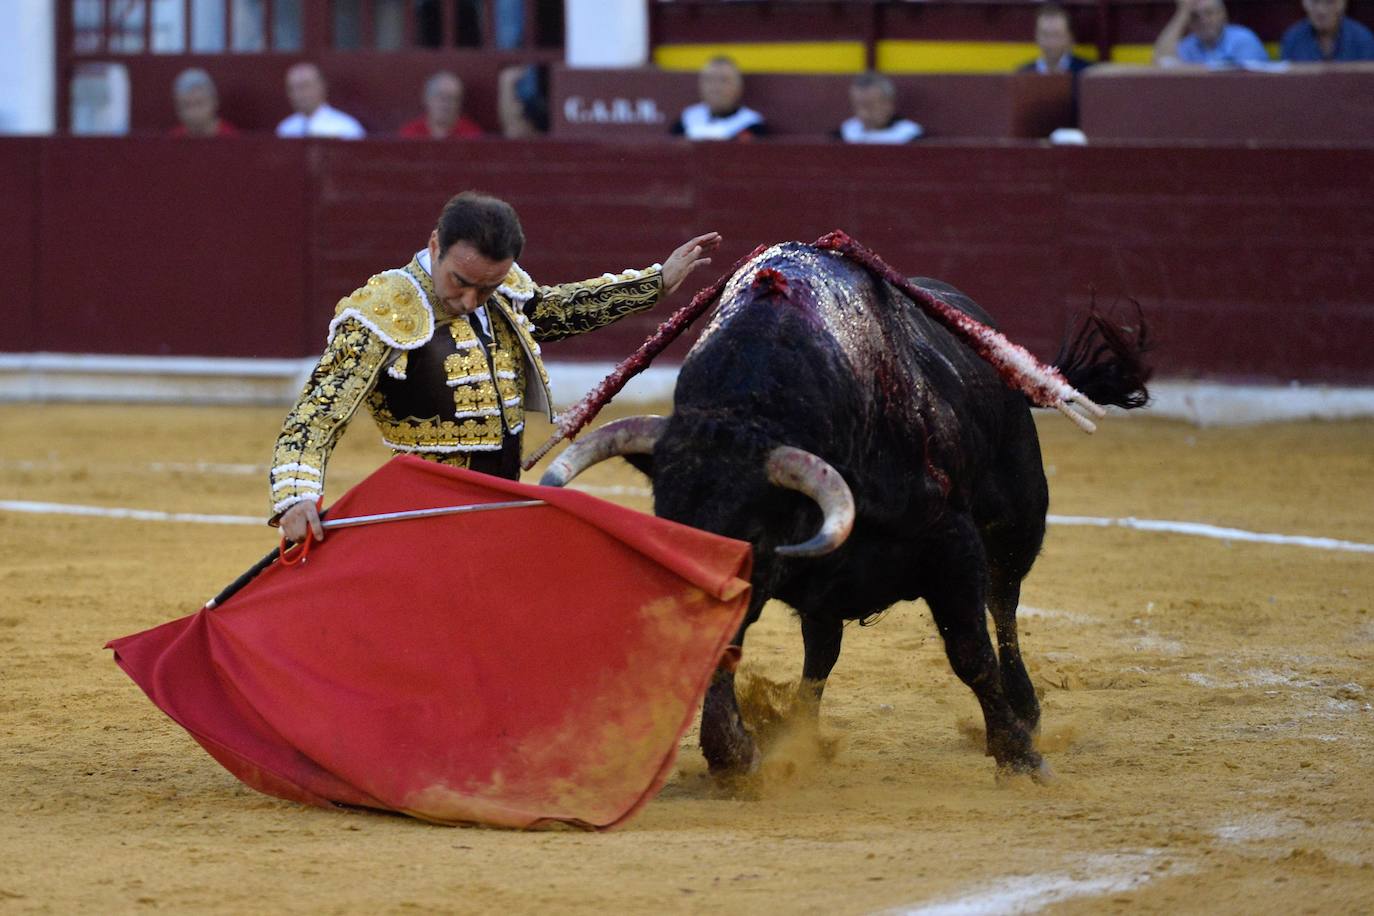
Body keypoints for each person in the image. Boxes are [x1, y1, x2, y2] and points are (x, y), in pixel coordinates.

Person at [270, 191, 721, 542]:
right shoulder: (383, 310)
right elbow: (316, 415)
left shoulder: (502, 292)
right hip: (427, 510)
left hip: (501, 496)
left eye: (486, 288)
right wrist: (296, 497)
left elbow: (556, 310)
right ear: (435, 245)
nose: (470, 301)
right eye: (460, 282)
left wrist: (655, 283)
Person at [670, 57, 767, 141]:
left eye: (724, 80)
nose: (716, 88)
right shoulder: (686, 121)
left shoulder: (752, 126)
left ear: (739, 86)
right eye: (709, 80)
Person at [1153, 0, 1270, 66]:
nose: (1203, 20)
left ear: (1223, 15)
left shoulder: (1243, 39)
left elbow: (1251, 84)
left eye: (1209, 13)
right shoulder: (1188, 45)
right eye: (1195, 16)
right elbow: (1161, 63)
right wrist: (1182, 13)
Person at [275, 63, 366, 139]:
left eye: (304, 86)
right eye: (292, 88)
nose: (298, 94)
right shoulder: (286, 129)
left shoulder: (345, 128)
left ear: (321, 87)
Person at [836, 72, 922, 144]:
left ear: (888, 104)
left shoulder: (910, 136)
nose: (863, 113)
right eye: (857, 106)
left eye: (869, 106)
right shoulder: (845, 133)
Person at [398, 72, 483, 139]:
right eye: (441, 97)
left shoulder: (471, 134)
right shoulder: (410, 134)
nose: (446, 104)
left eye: (452, 98)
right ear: (427, 99)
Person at [1280, 0, 1374, 60]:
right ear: (1304, 3)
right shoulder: (1292, 39)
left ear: (1343, 3)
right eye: (1314, 2)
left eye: (1330, 2)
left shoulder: (1363, 39)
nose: (1321, 10)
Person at [1019, 4, 1094, 74]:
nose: (1051, 42)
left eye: (1056, 35)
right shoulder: (1022, 75)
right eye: (1045, 35)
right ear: (1036, 37)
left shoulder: (1086, 74)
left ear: (1070, 38)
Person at [169, 68, 238, 138]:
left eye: (199, 103)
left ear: (214, 102)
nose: (194, 111)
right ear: (178, 109)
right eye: (187, 105)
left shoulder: (232, 138)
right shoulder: (172, 140)